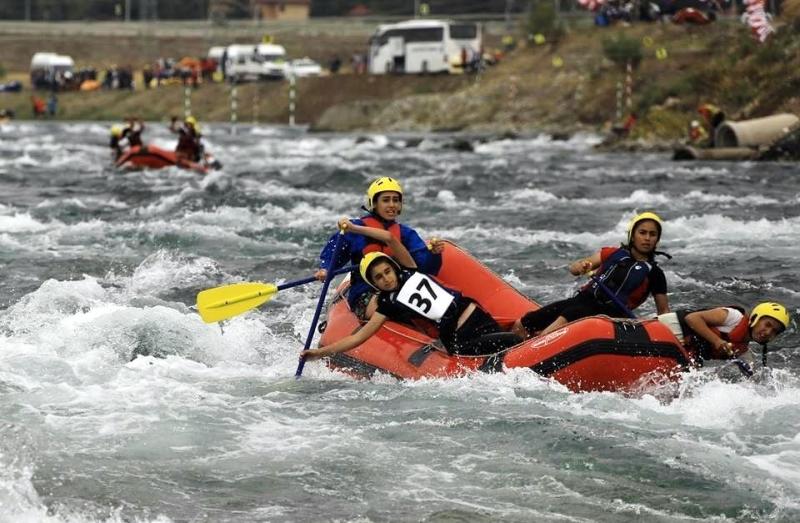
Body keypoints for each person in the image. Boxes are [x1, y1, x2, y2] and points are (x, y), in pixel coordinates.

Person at [302, 220, 521, 361]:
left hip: (475, 319)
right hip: (458, 339)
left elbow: (389, 238)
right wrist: (319, 353)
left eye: (387, 271)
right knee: (513, 343)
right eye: (378, 277)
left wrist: (353, 228)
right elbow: (359, 337)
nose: (386, 279)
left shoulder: (410, 271)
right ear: (374, 285)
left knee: (533, 325)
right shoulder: (387, 303)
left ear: (394, 268)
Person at [513, 212, 671, 339]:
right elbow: (576, 268)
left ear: (657, 239)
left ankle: (539, 344)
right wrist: (580, 266)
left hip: (611, 316)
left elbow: (663, 312)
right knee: (523, 323)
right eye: (642, 233)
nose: (647, 238)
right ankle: (514, 355)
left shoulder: (655, 274)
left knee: (567, 317)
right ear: (632, 235)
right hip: (582, 301)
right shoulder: (612, 253)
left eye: (652, 234)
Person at [315, 177, 444, 321]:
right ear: (374, 203)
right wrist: (325, 269)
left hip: (397, 287)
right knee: (393, 305)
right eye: (386, 200)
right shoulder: (355, 230)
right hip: (365, 291)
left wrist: (434, 254)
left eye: (396, 200)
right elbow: (334, 253)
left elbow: (424, 268)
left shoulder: (406, 234)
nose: (392, 204)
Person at [660, 302, 790, 368]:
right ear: (755, 317)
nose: (768, 332)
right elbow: (692, 318)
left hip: (677, 348)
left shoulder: (744, 354)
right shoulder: (733, 317)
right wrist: (717, 341)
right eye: (767, 325)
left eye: (774, 331)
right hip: (668, 327)